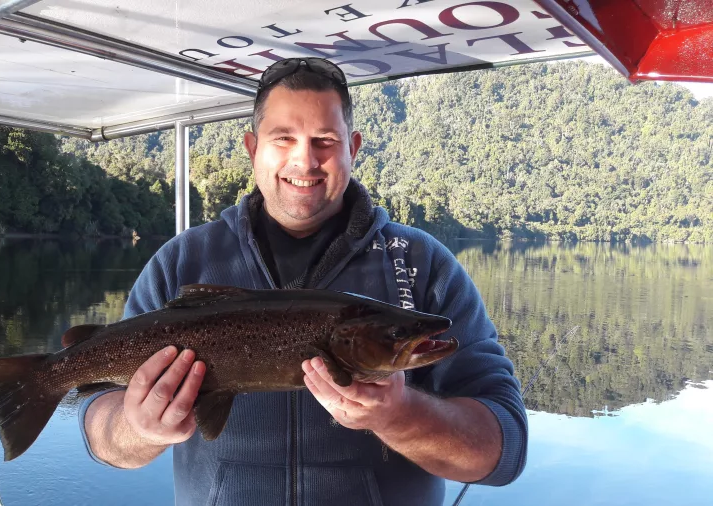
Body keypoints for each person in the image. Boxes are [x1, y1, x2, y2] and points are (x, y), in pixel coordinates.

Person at [80, 57, 527, 506]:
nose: (305, 160)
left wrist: (401, 415)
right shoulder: (179, 262)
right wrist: (136, 428)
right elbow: (101, 431)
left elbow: (504, 449)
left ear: (353, 147)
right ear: (253, 148)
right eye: (284, 139)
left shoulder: (421, 264)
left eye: (324, 141)